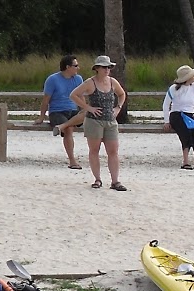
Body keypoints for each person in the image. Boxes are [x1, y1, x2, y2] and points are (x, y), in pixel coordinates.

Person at [69, 55, 128, 190]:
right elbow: (73, 95)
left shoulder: (113, 82)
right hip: (94, 121)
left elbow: (122, 94)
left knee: (113, 151)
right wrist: (88, 108)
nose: (107, 70)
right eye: (104, 67)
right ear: (97, 68)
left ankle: (115, 181)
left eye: (109, 67)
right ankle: (97, 179)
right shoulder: (90, 82)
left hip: (110, 121)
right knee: (94, 150)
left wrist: (118, 108)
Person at [38, 55, 85, 170]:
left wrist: (84, 109)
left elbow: (81, 96)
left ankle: (61, 127)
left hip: (73, 111)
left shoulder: (78, 79)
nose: (78, 68)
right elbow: (46, 100)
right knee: (69, 129)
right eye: (76, 66)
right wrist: (41, 117)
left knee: (87, 114)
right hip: (57, 111)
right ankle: (72, 161)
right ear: (68, 67)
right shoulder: (52, 80)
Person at [162, 64, 194, 170]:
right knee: (185, 133)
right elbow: (166, 105)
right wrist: (166, 121)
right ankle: (185, 161)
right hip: (177, 114)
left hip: (190, 114)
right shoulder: (173, 89)